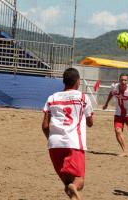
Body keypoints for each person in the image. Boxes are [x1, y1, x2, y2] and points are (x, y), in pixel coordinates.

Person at [42, 67, 94, 200]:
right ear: (77, 82)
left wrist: (51, 138)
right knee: (78, 182)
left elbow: (45, 126)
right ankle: (74, 188)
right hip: (73, 143)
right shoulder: (83, 97)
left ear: (64, 82)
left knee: (67, 183)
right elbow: (90, 122)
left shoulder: (52, 98)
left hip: (54, 144)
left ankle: (72, 190)